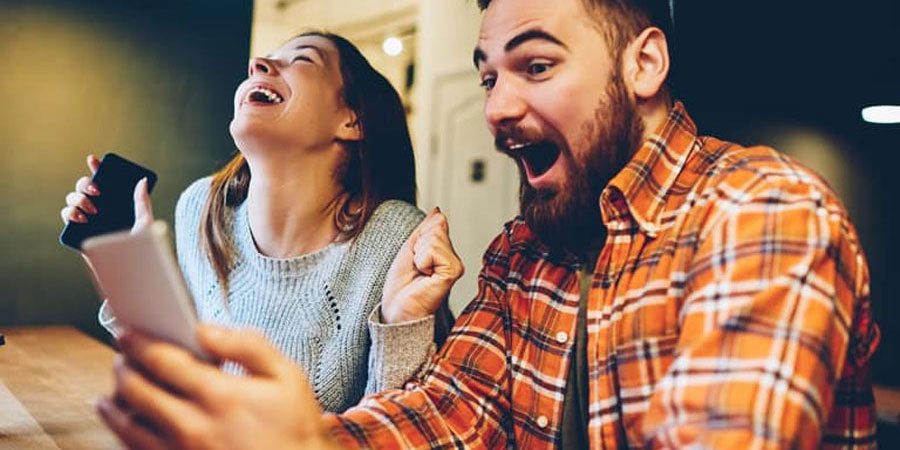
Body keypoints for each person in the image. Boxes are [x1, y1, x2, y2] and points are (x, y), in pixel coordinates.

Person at [97, 0, 880, 448]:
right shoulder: (523, 255)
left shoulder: (761, 208)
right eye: (487, 78)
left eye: (536, 66)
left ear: (644, 64)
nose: (498, 108)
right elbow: (444, 411)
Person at [60, 31, 459, 414]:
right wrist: (128, 277)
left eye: (302, 59)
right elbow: (182, 382)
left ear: (352, 121)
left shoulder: (396, 238)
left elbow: (403, 425)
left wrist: (403, 328)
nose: (257, 64)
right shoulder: (201, 208)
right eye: (264, 60)